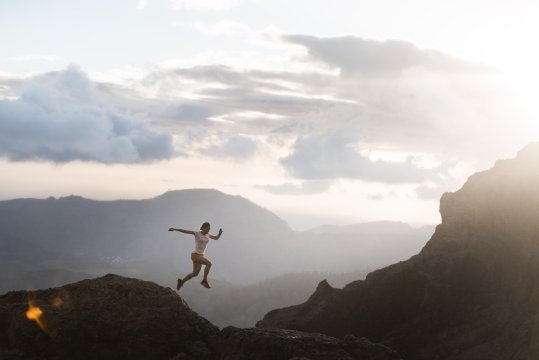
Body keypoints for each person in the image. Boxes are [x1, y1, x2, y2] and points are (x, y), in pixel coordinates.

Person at [168, 222, 223, 290]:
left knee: (195, 274)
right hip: (195, 255)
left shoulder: (208, 234)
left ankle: (181, 281)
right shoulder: (197, 233)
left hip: (201, 256)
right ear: (203, 228)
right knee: (209, 264)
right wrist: (175, 229)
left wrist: (220, 234)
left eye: (209, 229)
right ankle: (204, 281)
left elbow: (216, 238)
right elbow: (185, 231)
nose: (208, 230)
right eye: (207, 229)